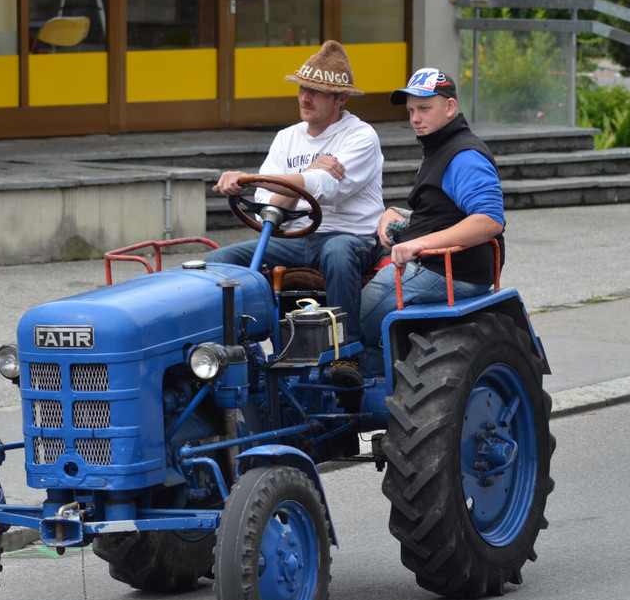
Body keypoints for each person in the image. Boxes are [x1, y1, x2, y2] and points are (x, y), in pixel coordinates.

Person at [207, 40, 385, 397]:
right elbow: (267, 205)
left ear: (341, 99)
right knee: (220, 261)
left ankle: (346, 356)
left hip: (348, 237)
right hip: (291, 239)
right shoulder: (286, 138)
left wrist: (270, 181)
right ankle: (229, 353)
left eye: (317, 92)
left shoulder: (361, 136)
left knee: (338, 253)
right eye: (303, 88)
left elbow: (325, 189)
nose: (305, 97)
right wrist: (305, 173)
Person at [358, 68, 505, 369]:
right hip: (436, 263)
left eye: (425, 108)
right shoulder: (441, 148)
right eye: (411, 110)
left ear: (450, 107)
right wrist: (393, 213)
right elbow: (443, 211)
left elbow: (489, 219)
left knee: (349, 325)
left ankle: (357, 374)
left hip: (448, 269)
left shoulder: (464, 155)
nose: (415, 118)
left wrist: (420, 244)